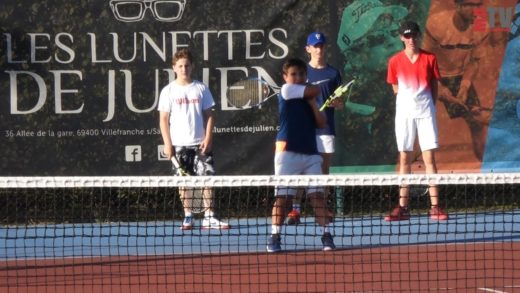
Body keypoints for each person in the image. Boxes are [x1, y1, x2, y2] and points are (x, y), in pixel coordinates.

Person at [266, 58, 335, 252]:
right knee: (283, 199)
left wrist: (312, 103)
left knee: (317, 196)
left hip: (311, 154)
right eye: (294, 74)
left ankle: (326, 236)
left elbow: (321, 122)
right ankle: (274, 236)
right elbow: (315, 89)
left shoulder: (308, 95)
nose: (298, 77)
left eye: (302, 74)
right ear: (285, 77)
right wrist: (312, 93)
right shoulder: (286, 91)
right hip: (288, 155)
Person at [158, 48, 229, 230]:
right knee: (184, 182)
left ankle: (209, 216)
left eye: (187, 65)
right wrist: (168, 144)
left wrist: (208, 137)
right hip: (179, 144)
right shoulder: (168, 91)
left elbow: (210, 115)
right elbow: (163, 119)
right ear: (174, 68)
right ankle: (188, 216)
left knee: (208, 179)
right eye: (180, 66)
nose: (184, 69)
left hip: (200, 143)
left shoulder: (201, 88)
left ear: (192, 67)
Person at [385, 21, 448, 221]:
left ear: (418, 36)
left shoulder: (430, 58)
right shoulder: (394, 61)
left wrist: (430, 105)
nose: (411, 39)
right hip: (404, 115)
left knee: (429, 159)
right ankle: (402, 208)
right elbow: (395, 89)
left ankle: (435, 207)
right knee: (404, 158)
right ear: (401, 38)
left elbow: (434, 87)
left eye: (414, 35)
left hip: (426, 113)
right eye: (407, 36)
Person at [422, 0, 492, 162]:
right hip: (431, 74)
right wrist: (439, 88)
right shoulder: (436, 23)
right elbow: (421, 61)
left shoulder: (482, 27)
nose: (475, 10)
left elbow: (474, 61)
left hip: (458, 76)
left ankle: (487, 171)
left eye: (478, 5)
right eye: (469, 5)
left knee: (477, 124)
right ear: (458, 5)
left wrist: (465, 86)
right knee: (418, 123)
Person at [286, 32, 343, 225]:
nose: (319, 49)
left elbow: (341, 101)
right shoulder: (301, 74)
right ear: (308, 49)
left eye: (321, 46)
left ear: (325, 48)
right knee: (301, 170)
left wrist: (337, 102)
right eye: (315, 46)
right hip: (306, 129)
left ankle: (323, 209)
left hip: (326, 129)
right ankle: (295, 210)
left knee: (323, 171)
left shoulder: (334, 73)